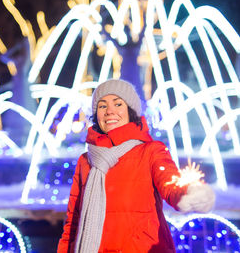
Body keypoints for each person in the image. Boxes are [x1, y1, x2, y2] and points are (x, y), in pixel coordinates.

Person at [57, 79, 215, 253]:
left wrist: (189, 194)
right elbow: (73, 221)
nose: (110, 111)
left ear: (130, 111)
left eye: (118, 104)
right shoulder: (86, 161)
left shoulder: (151, 151)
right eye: (102, 106)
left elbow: (170, 183)